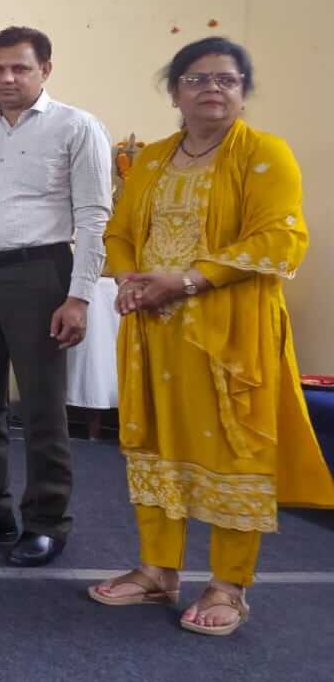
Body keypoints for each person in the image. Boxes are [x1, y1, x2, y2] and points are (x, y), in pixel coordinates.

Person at [88, 37, 334, 636]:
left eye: (226, 79)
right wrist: (129, 278)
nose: (212, 89)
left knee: (235, 452)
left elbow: (281, 238)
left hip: (231, 332)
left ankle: (229, 584)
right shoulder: (152, 159)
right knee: (155, 445)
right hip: (155, 331)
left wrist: (188, 280)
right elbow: (119, 230)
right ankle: (157, 570)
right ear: (175, 92)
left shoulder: (265, 154)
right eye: (197, 79)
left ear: (243, 93)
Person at [0, 26, 113, 567]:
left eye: (20, 68)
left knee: (41, 406)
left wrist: (79, 297)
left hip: (39, 276)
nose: (7, 78)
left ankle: (47, 522)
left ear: (45, 70)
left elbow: (93, 217)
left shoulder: (77, 127)